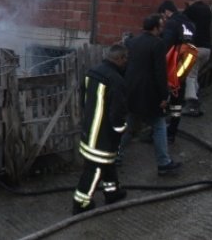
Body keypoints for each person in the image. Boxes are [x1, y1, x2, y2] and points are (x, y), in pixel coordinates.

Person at [119, 14, 180, 176]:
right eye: (160, 26)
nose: (162, 30)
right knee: (159, 126)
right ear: (154, 28)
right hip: (149, 94)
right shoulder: (158, 44)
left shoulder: (132, 42)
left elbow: (126, 67)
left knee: (131, 125)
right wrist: (164, 96)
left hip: (132, 91)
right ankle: (164, 163)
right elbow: (160, 72)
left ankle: (115, 155)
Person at [72, 44, 129, 215]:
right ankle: (80, 203)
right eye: (125, 58)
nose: (127, 62)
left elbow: (83, 97)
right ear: (119, 59)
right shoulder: (117, 81)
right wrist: (120, 130)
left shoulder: (92, 72)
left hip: (89, 130)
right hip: (103, 136)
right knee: (95, 169)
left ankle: (112, 192)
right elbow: (117, 112)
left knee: (107, 163)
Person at [158, 0, 196, 143]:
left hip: (171, 67)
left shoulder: (172, 23)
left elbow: (165, 46)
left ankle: (158, 131)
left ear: (167, 11)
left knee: (162, 98)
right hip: (184, 67)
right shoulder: (190, 24)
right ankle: (172, 132)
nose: (163, 19)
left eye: (163, 15)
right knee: (177, 103)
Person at [181, 0, 211, 117]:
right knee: (195, 73)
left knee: (190, 75)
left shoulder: (189, 12)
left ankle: (192, 104)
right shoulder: (206, 9)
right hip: (207, 49)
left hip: (194, 48)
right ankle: (195, 98)